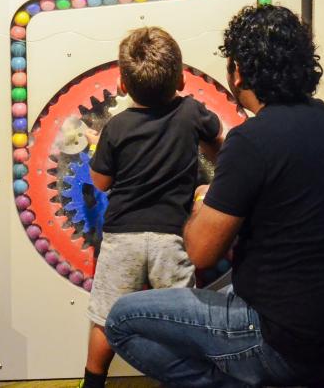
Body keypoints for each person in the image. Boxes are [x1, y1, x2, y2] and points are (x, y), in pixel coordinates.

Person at [104, 5, 324, 387]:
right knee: (217, 290)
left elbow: (200, 252)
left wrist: (204, 196)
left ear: (239, 71)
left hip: (283, 338)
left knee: (121, 319)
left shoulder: (251, 141)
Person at [81, 27, 223, 388]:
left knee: (105, 316)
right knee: (180, 318)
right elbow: (217, 141)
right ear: (179, 79)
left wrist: (98, 147)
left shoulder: (116, 126)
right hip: (171, 238)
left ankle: (93, 382)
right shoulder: (191, 112)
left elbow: (101, 182)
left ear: (123, 85)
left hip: (122, 237)